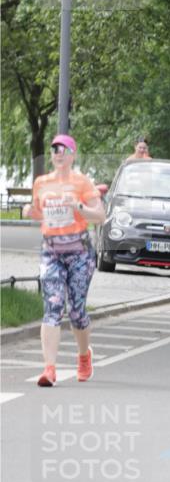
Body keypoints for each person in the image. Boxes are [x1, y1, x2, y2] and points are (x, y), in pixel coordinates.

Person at [22, 134, 106, 387]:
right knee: (53, 307)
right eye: (54, 149)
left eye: (63, 149)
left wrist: (79, 207)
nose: (58, 153)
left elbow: (100, 216)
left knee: (77, 312)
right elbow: (40, 212)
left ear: (72, 154)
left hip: (79, 253)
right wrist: (30, 212)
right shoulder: (41, 182)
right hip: (52, 252)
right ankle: (49, 369)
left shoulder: (82, 182)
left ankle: (83, 357)